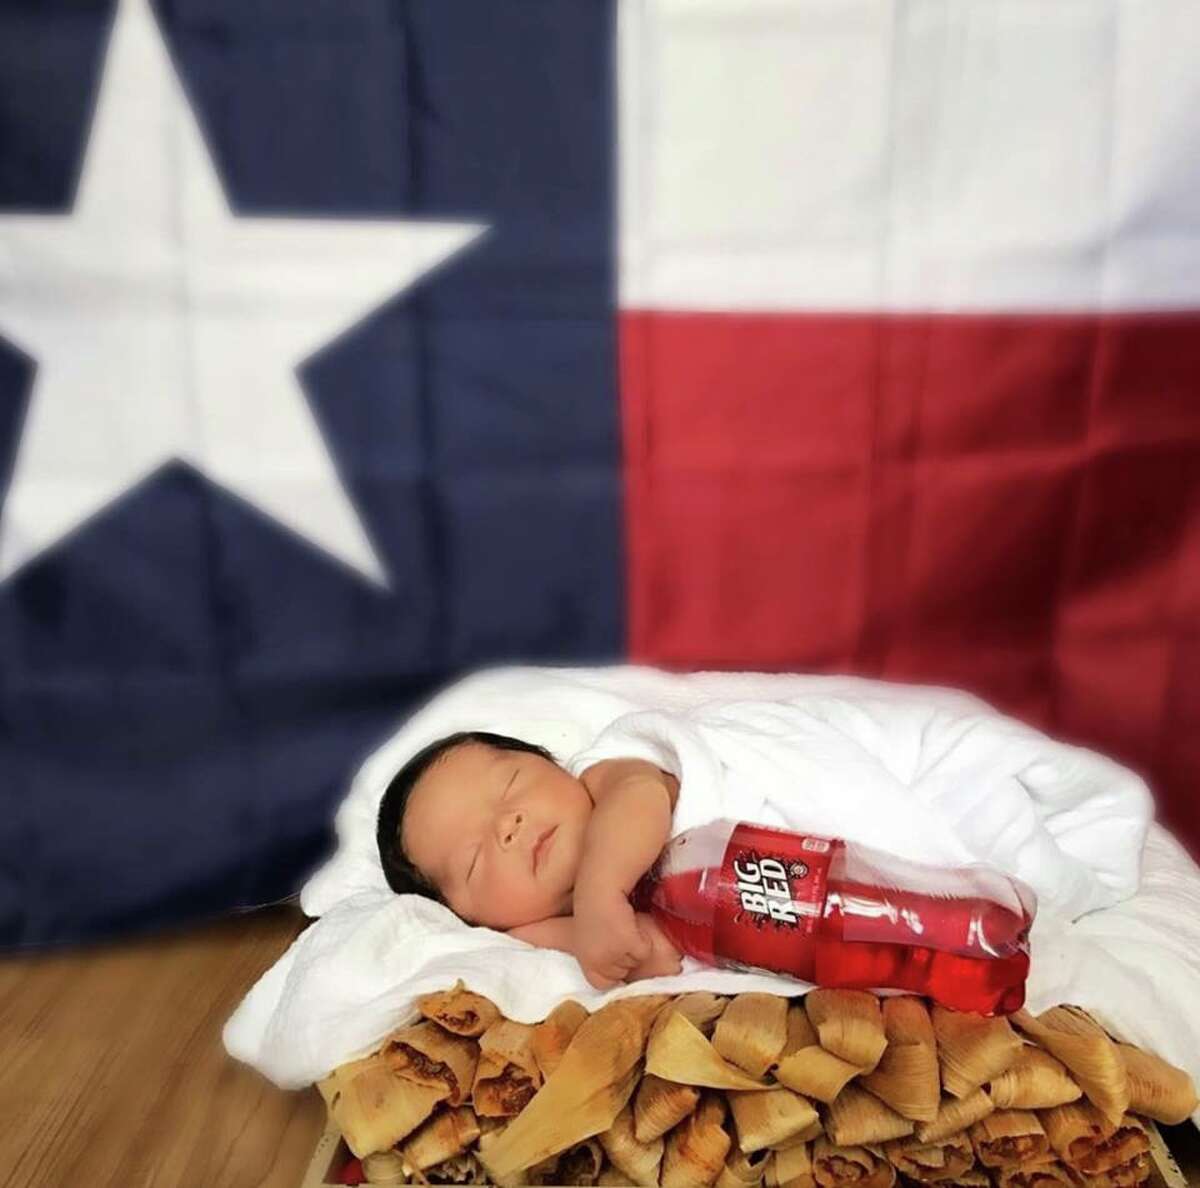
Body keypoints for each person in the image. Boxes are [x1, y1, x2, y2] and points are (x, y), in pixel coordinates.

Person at [376, 730, 685, 990]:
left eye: (511, 784)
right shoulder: (530, 939)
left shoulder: (606, 775)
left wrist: (600, 893)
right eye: (474, 860)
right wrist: (600, 941)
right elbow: (658, 950)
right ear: (475, 921)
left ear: (553, 763)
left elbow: (642, 795)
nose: (507, 825)